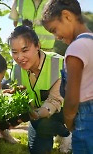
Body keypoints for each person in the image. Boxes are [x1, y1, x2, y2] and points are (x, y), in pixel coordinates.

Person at [8, 20, 70, 154]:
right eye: (14, 52)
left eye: (25, 50)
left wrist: (36, 114)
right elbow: (22, 98)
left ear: (38, 46)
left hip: (63, 111)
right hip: (38, 117)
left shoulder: (59, 63)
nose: (20, 57)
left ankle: (67, 130)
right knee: (37, 150)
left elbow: (54, 100)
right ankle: (56, 129)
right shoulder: (16, 70)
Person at [42, 0, 93, 153]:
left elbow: (72, 98)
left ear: (66, 16)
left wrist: (69, 122)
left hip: (85, 118)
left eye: (54, 30)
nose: (56, 37)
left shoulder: (75, 49)